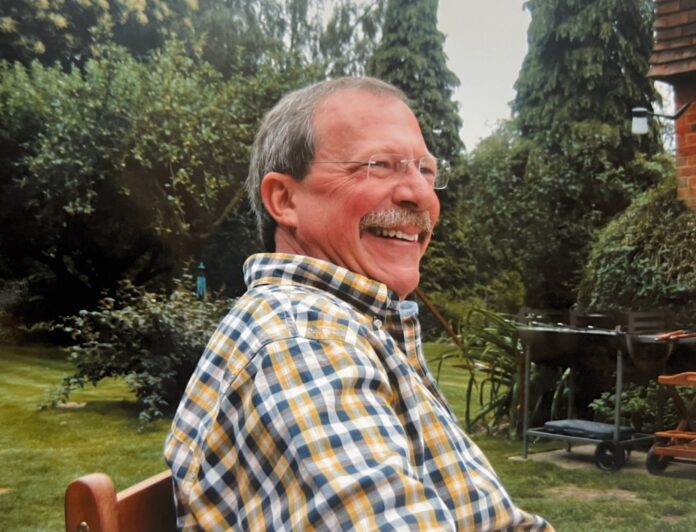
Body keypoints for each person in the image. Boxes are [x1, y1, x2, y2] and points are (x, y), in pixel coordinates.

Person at [165, 77, 552, 531]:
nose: (422, 196)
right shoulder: (305, 340)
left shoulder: (354, 329)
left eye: (425, 171)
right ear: (285, 200)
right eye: (380, 165)